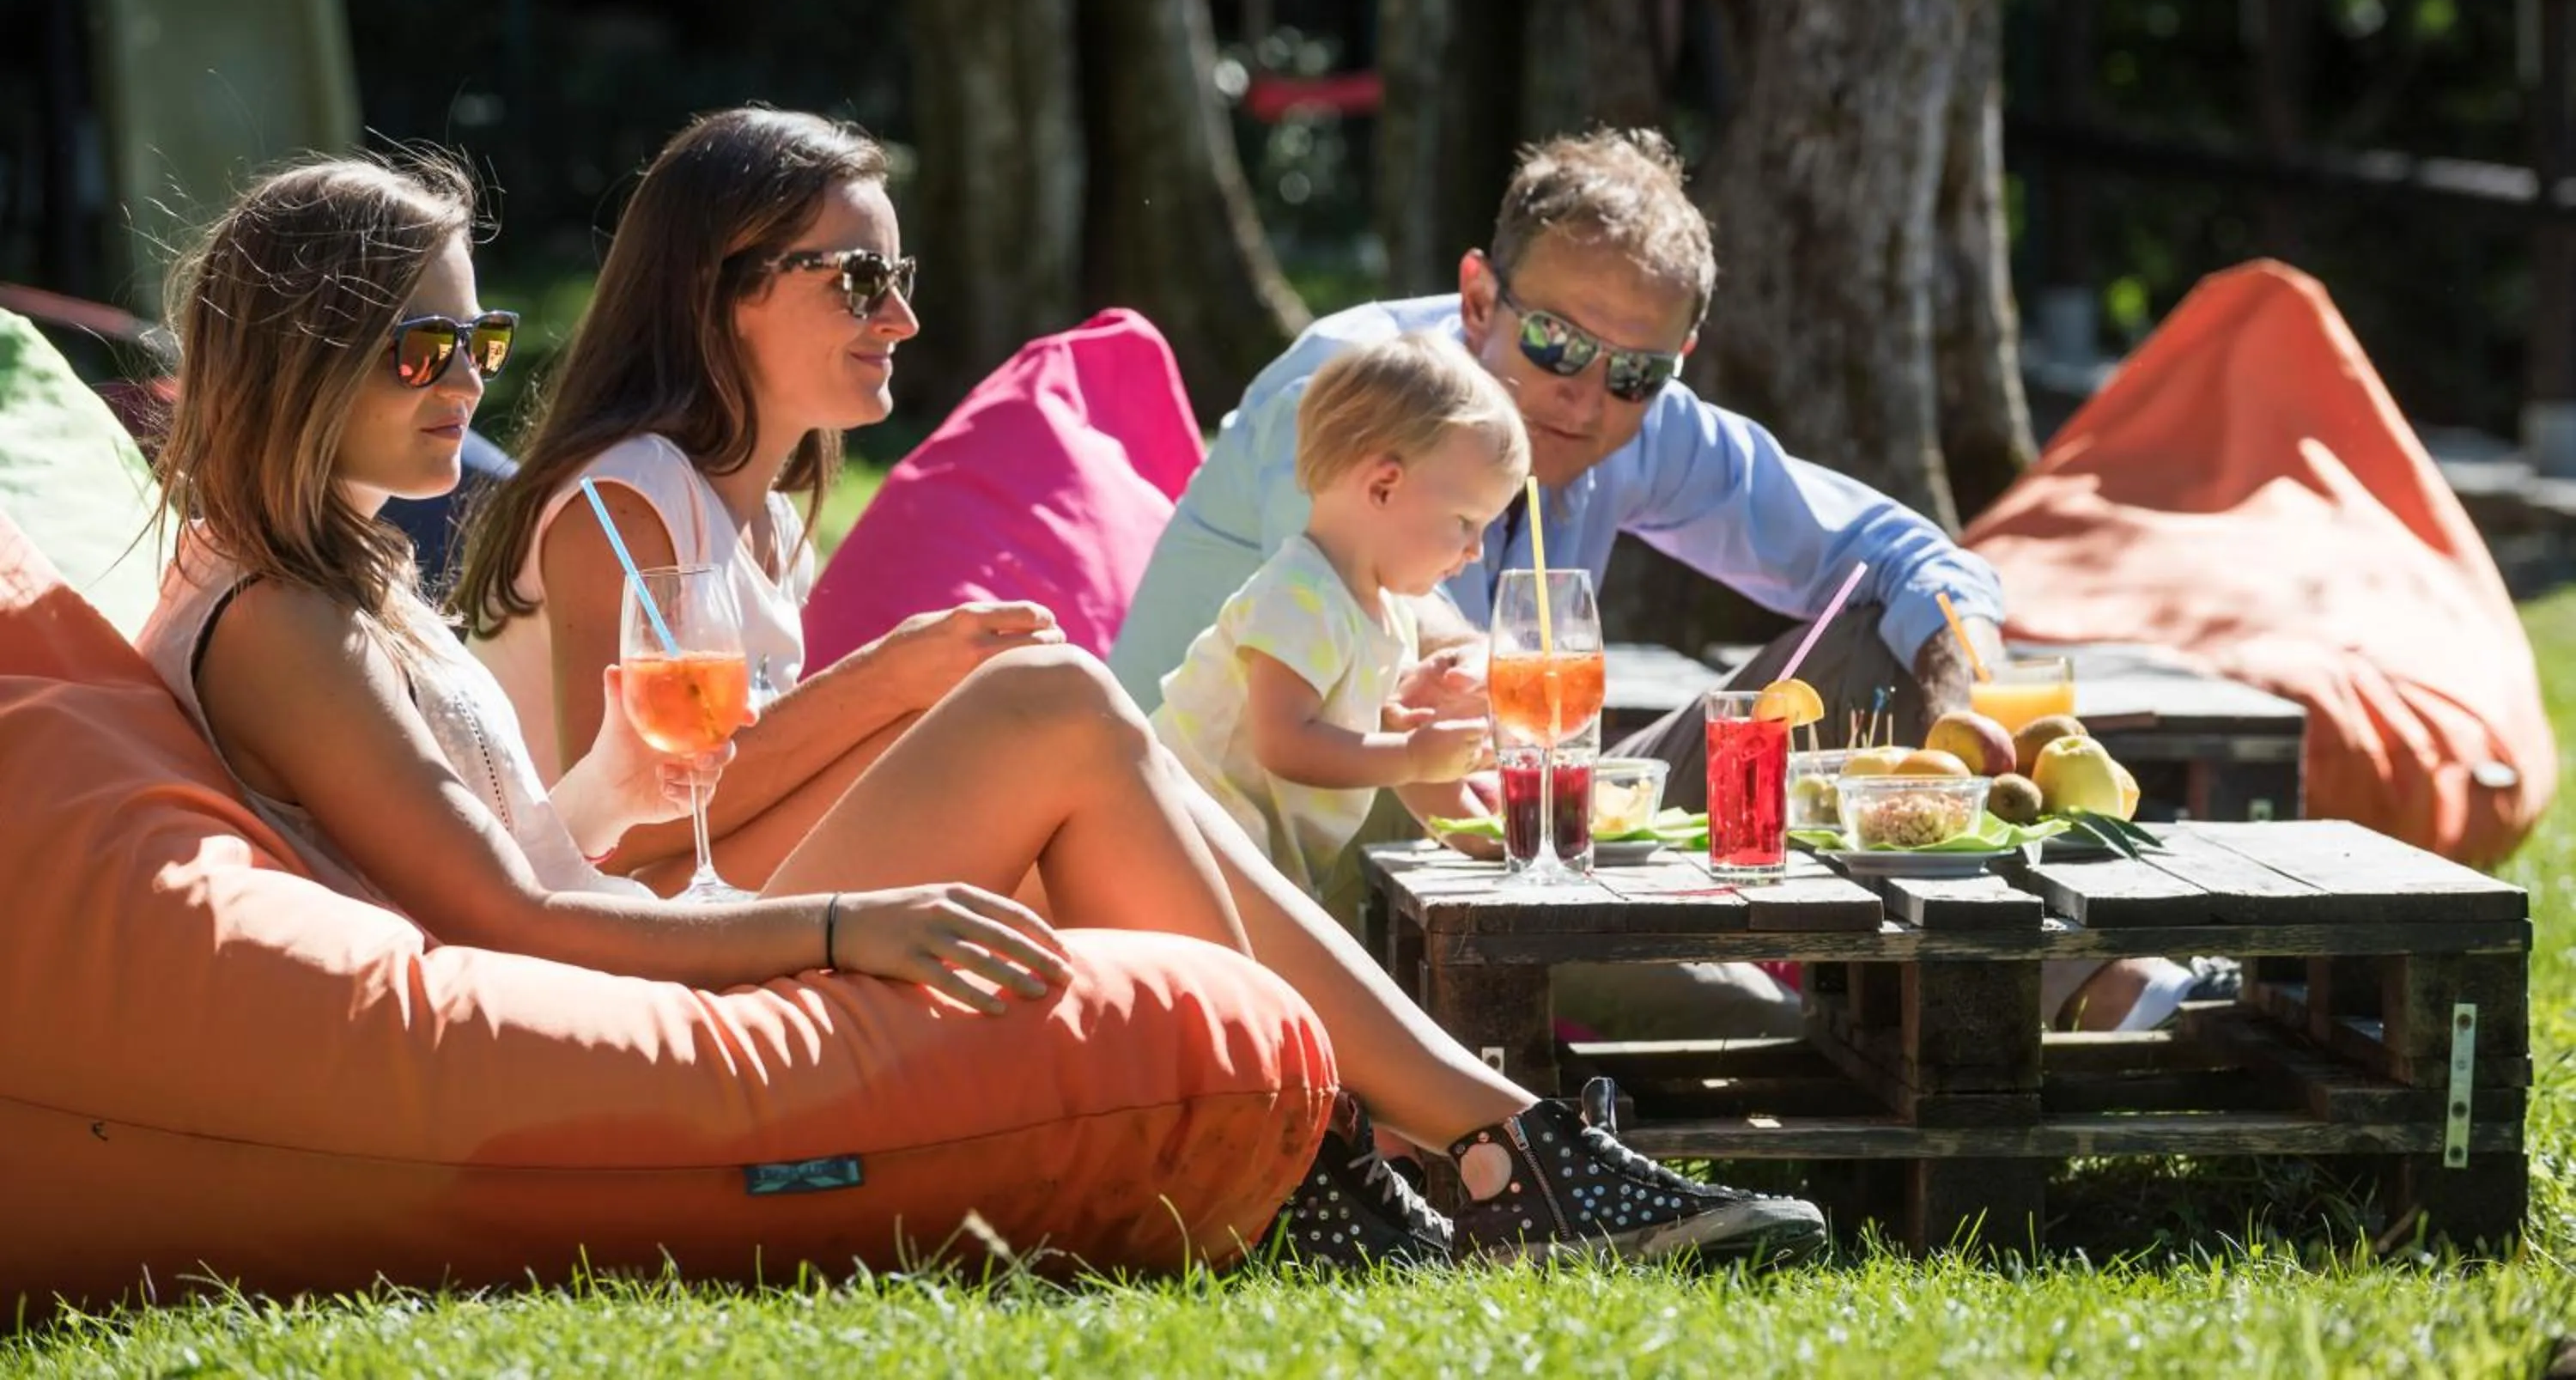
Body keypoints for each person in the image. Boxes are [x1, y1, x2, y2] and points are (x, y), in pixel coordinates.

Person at [420, 112, 1829, 1264]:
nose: (903, 315)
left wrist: (915, 704)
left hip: (762, 919)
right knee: (1058, 703)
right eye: (860, 279)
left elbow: (748, 799)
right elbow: (628, 844)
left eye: (901, 277)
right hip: (658, 985)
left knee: (1071, 723)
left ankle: (1417, 1146)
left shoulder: (751, 501)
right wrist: (897, 678)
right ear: (718, 285)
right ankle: (1453, 1150)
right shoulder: (629, 505)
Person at [1109, 127, 2198, 1034]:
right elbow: (1359, 688)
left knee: (1874, 640)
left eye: (1636, 371)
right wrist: (1496, 720)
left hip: (1500, 787)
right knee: (1495, 819)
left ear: (1679, 361)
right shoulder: (1357, 392)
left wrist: (1965, 697)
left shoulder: (1646, 429)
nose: (1586, 398)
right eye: (1554, 341)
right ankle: (1831, 1036)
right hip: (1273, 837)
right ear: (1478, 299)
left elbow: (1911, 556)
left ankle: (2062, 984)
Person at [1151, 333, 1522, 903]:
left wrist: (1477, 832)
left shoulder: (1382, 611)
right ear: (1383, 486)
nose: (1475, 550)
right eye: (1465, 521)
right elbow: (1285, 743)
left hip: (1244, 866)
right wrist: (1411, 756)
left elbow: (1399, 764)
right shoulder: (1299, 595)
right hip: (1179, 847)